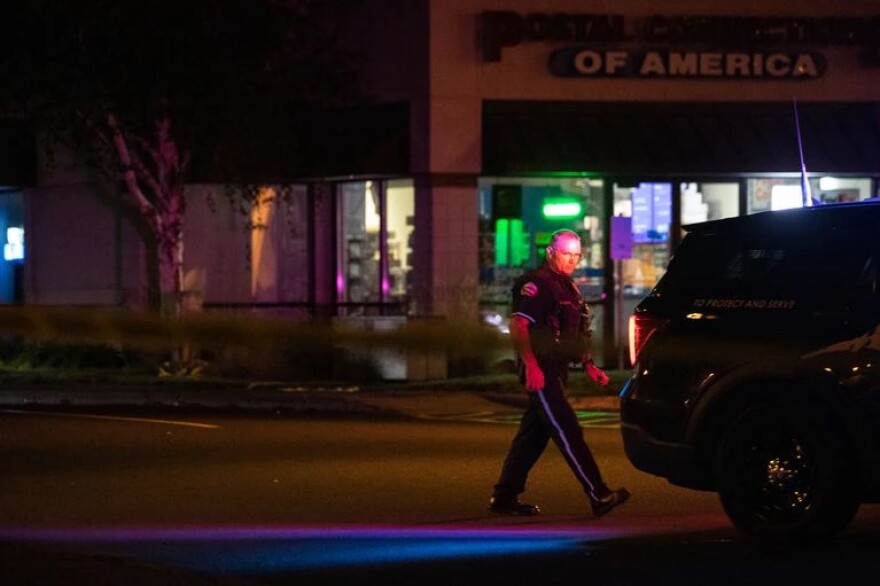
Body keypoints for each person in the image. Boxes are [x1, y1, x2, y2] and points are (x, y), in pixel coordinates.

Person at [488, 229, 631, 518]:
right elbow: (519, 326)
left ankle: (504, 496)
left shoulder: (568, 287)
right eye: (567, 254)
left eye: (577, 255)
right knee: (567, 429)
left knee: (533, 436)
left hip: (558, 368)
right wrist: (531, 366)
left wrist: (589, 364)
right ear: (551, 252)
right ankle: (599, 493)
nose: (573, 260)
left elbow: (574, 330)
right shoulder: (536, 285)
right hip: (542, 368)